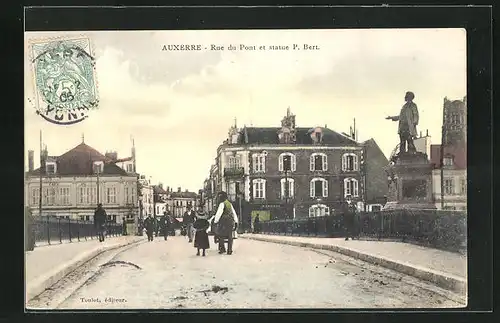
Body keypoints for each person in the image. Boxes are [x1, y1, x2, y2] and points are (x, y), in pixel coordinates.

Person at [386, 91, 419, 156]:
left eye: (406, 96)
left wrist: (414, 123)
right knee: (402, 140)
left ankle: (411, 152)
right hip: (402, 126)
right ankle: (402, 152)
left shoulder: (413, 105)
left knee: (409, 139)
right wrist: (391, 117)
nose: (405, 97)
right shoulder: (404, 106)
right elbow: (400, 116)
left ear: (410, 97)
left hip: (408, 126)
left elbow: (416, 115)